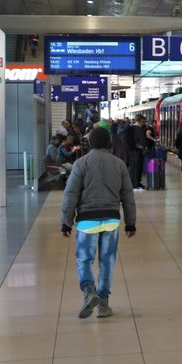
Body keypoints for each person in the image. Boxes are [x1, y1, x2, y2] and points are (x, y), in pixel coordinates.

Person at [60, 125, 136, 319]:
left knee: (85, 259)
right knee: (107, 261)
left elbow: (71, 194)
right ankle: (103, 304)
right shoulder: (119, 163)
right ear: (109, 143)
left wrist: (66, 221)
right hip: (111, 219)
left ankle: (88, 292)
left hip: (87, 221)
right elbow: (127, 195)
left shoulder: (81, 163)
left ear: (90, 143)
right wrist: (130, 223)